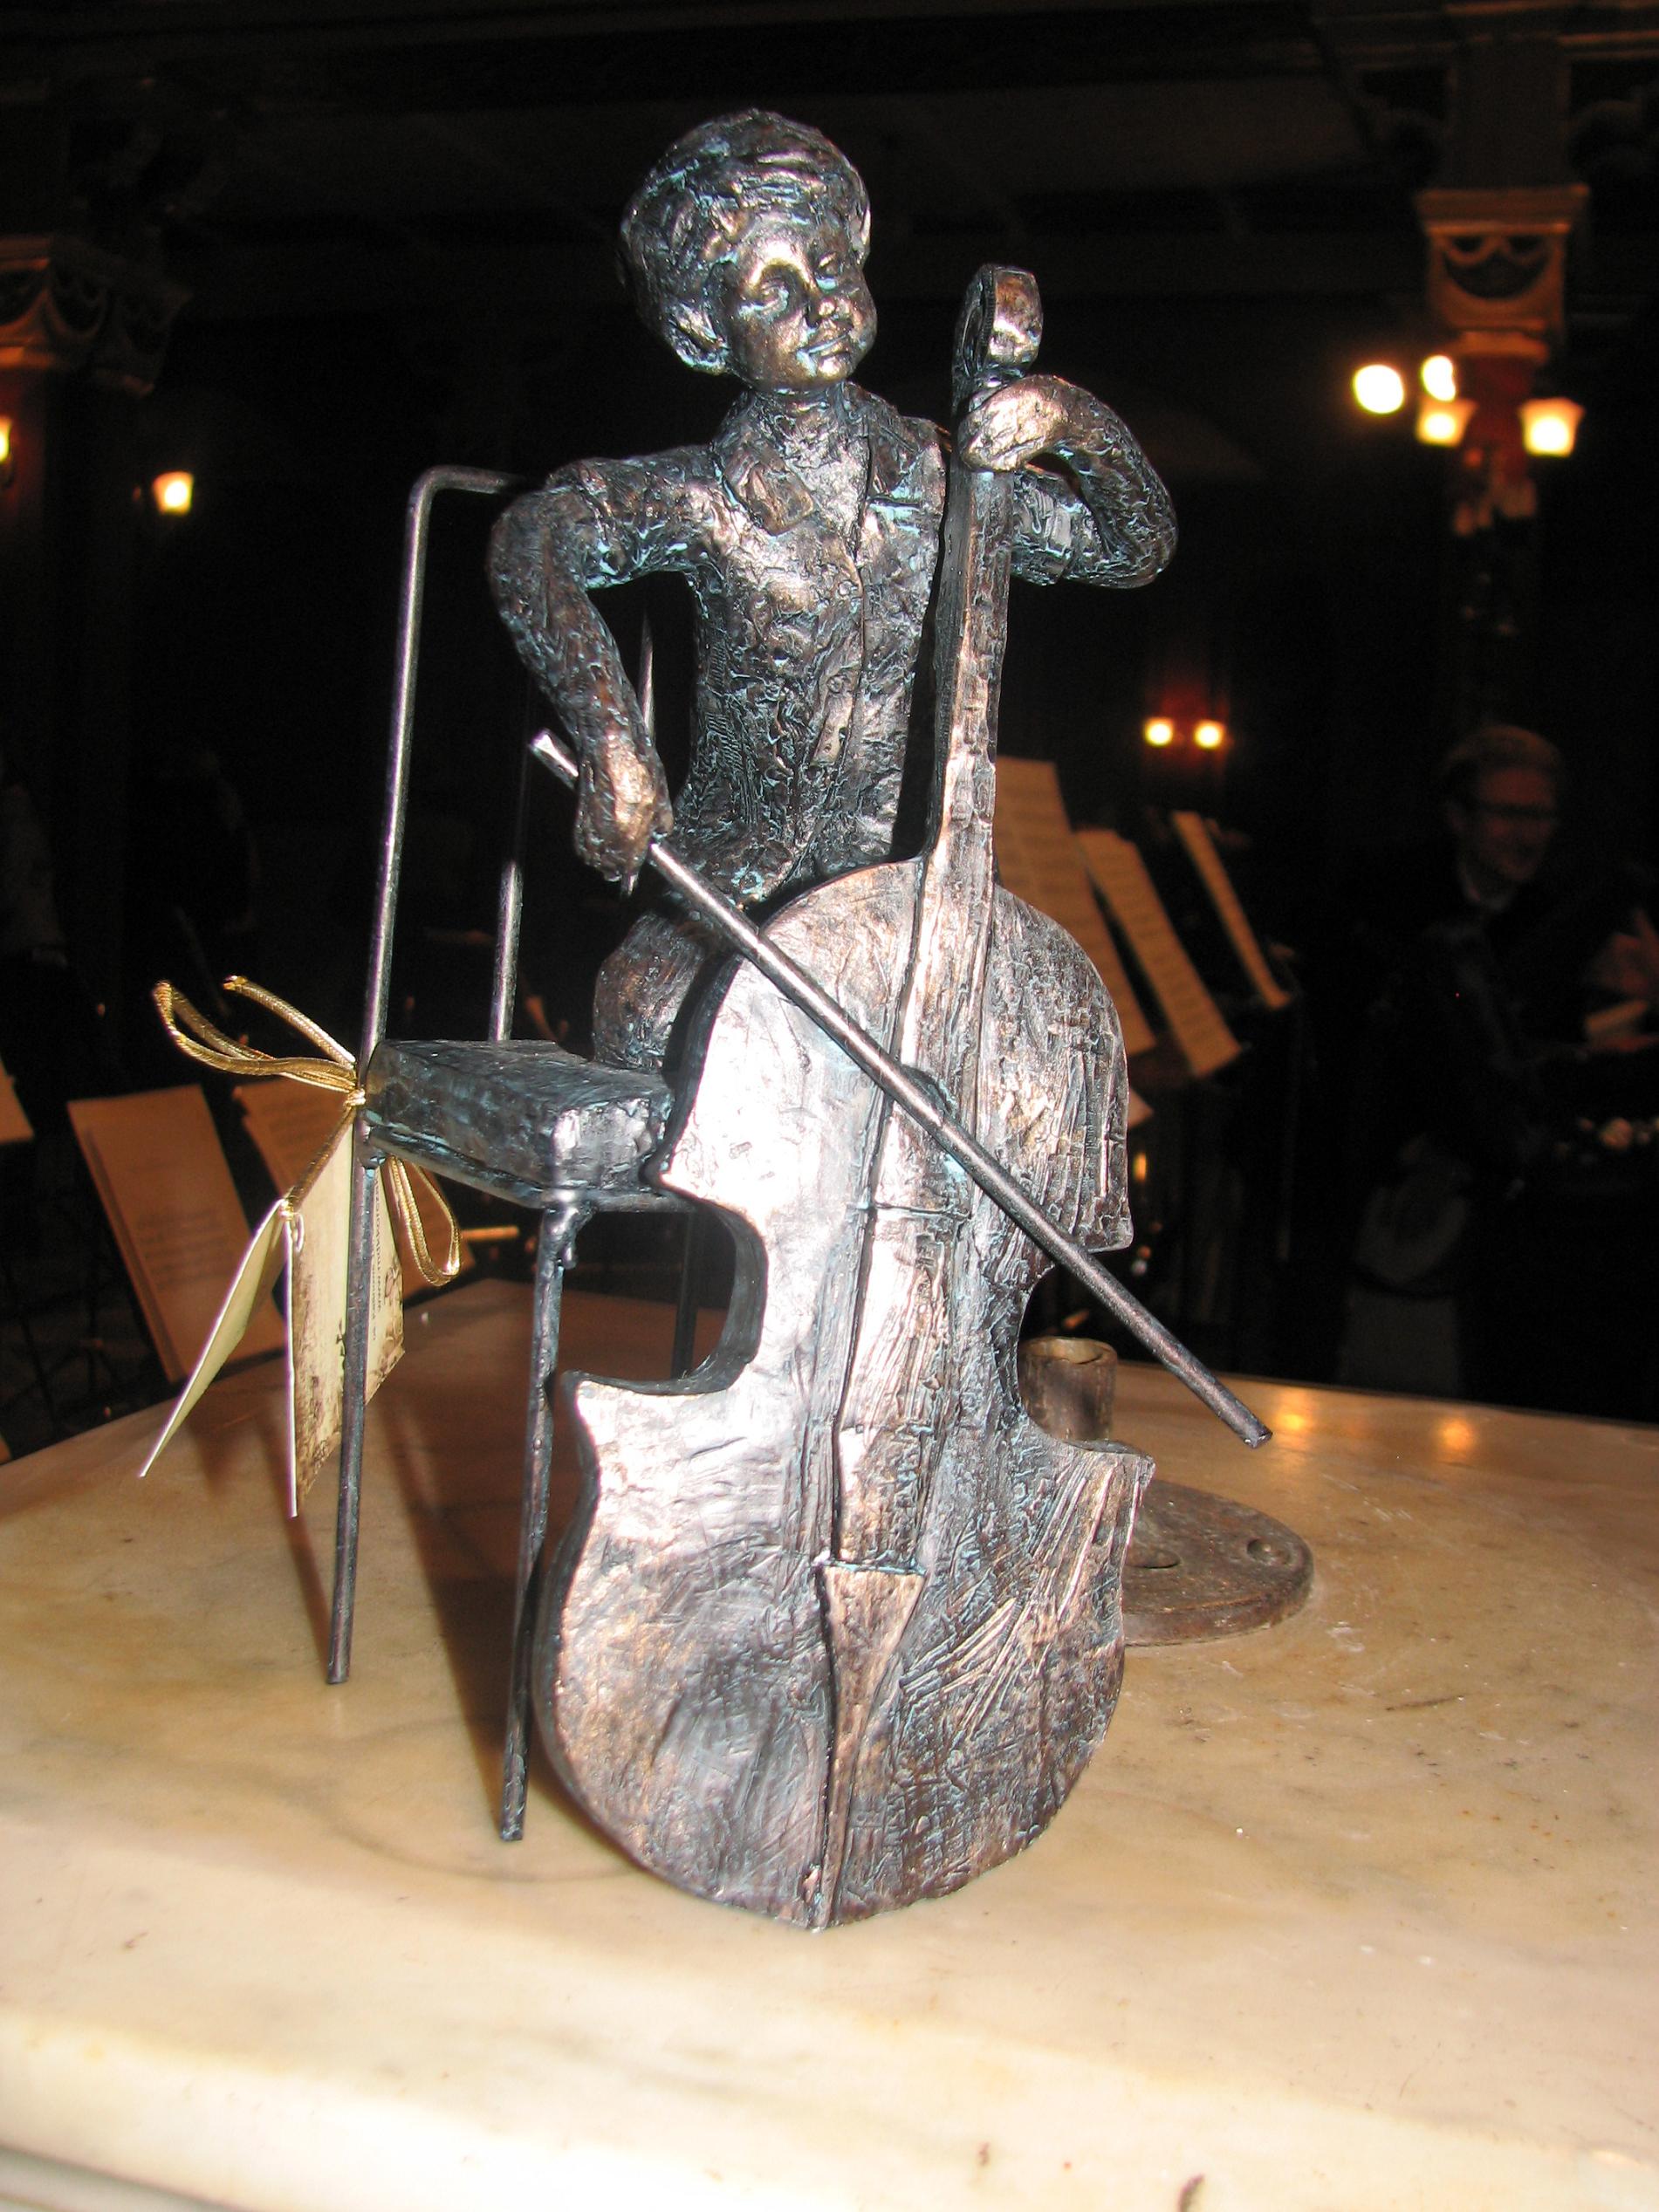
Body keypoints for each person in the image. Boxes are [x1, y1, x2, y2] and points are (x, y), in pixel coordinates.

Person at [490, 108, 1175, 1070]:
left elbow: (1129, 547)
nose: (819, 305)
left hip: (906, 895)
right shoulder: (705, 498)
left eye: (829, 266)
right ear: (704, 330)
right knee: (646, 1020)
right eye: (773, 289)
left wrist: (1073, 422)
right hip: (738, 892)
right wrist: (612, 741)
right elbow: (533, 539)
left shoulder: (945, 478)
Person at [1333, 722, 1659, 1414]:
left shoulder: (1558, 912)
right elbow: (1400, 1043)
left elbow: (1535, 1065)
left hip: (1501, 1185)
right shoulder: (1394, 896)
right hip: (1385, 1154)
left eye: (1541, 815)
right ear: (1458, 818)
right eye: (1510, 814)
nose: (1529, 834)